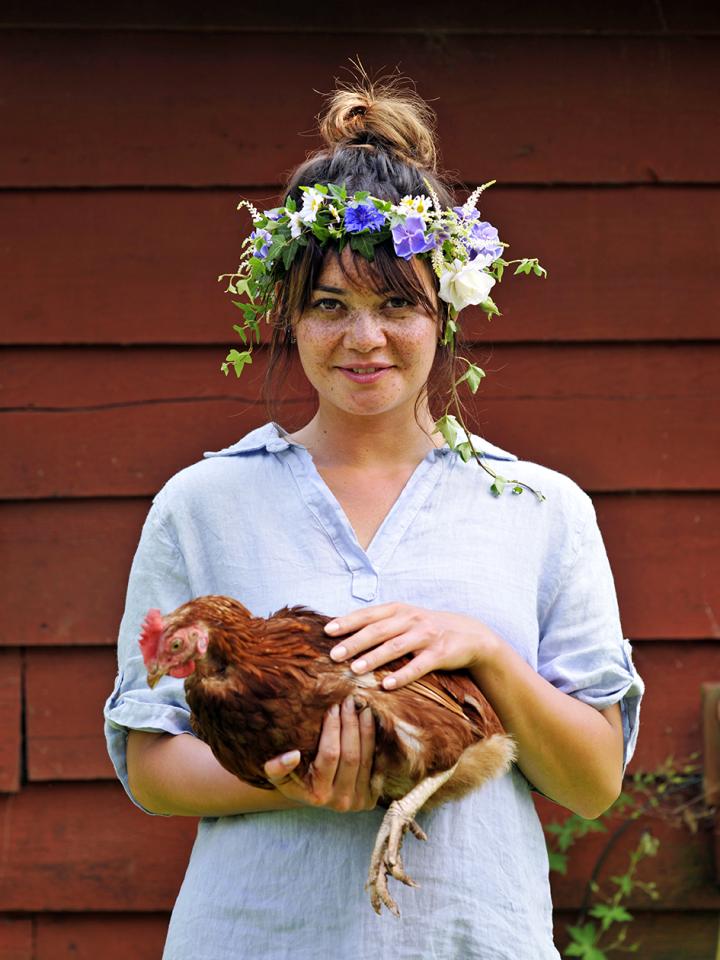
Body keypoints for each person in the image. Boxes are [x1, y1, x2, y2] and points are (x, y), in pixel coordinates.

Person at [104, 73, 644, 960]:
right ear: (285, 311)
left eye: (398, 303)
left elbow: (591, 782)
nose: (366, 339)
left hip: (471, 939)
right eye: (330, 307)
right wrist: (303, 781)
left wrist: (487, 654)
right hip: (257, 937)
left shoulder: (540, 508)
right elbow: (155, 769)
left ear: (448, 311)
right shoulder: (202, 504)